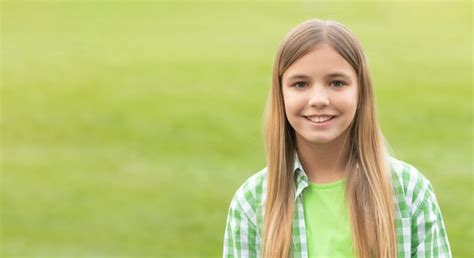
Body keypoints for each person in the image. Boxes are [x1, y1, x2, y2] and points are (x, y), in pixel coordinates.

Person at [222, 19, 451, 258]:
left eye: (337, 83)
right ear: (281, 93)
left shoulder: (410, 192)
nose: (318, 99)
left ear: (361, 91)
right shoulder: (251, 203)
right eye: (300, 84)